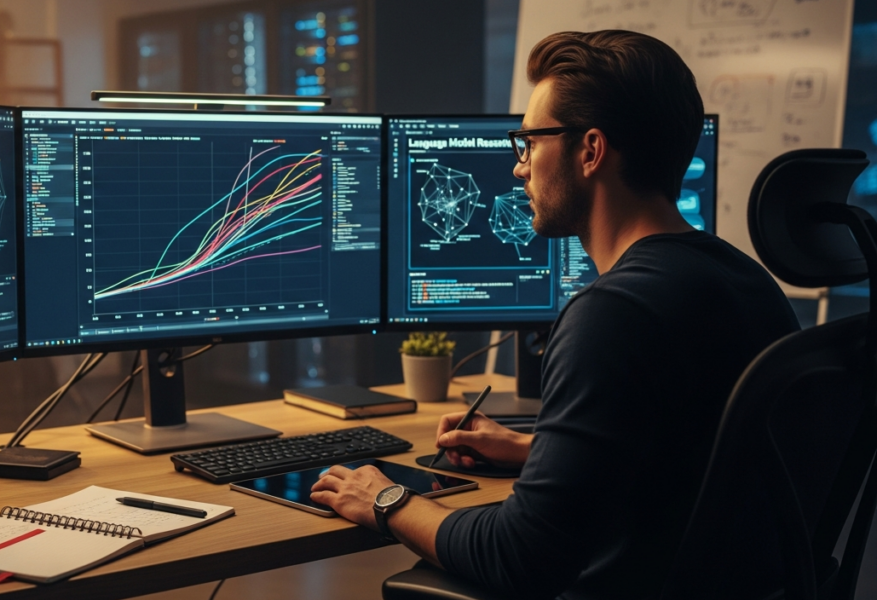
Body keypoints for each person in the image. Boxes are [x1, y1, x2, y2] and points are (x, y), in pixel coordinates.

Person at [310, 30, 800, 599]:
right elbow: (691, 453)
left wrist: (387, 500)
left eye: (529, 143)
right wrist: (536, 449)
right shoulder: (745, 282)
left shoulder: (613, 313)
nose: (519, 170)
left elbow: (521, 556)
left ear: (590, 151)